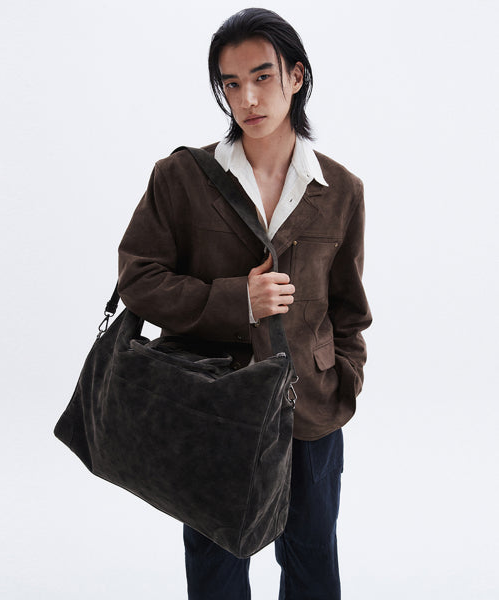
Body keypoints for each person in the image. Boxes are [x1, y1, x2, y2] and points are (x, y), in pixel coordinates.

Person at [117, 7, 372, 599]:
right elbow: (138, 279)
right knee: (215, 562)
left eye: (262, 77)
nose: (248, 98)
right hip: (213, 406)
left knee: (312, 558)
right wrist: (239, 300)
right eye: (231, 84)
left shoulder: (341, 190)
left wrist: (344, 378)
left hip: (309, 407)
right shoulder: (181, 177)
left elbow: (349, 308)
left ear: (296, 77)